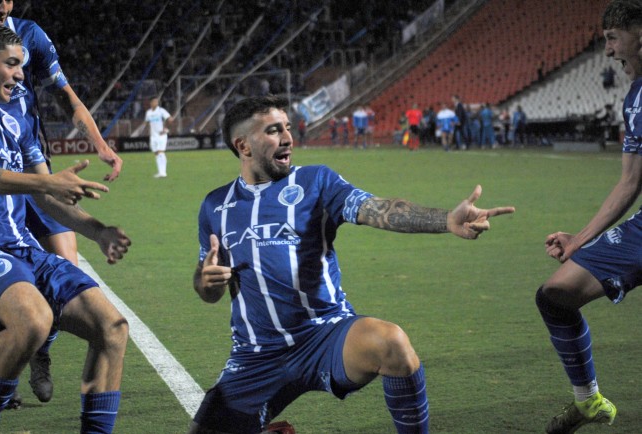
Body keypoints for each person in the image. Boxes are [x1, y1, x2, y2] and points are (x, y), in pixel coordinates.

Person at [188, 95, 515, 434]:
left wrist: (445, 219)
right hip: (256, 355)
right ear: (243, 145)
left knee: (392, 343)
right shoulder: (216, 206)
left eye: (287, 128)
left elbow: (375, 208)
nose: (287, 138)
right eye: (273, 131)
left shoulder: (315, 182)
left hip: (325, 334)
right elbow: (206, 288)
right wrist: (206, 281)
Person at [0, 23, 130, 434]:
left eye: (22, 66)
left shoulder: (18, 116)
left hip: (23, 247)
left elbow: (45, 198)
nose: (20, 75)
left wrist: (98, 231)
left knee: (112, 328)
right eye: (12, 64)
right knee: (33, 321)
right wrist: (49, 180)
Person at [536, 2, 642, 432]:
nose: (607, 50)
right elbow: (630, 181)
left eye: (612, 38)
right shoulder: (635, 97)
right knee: (556, 294)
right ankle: (588, 402)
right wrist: (580, 239)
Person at [144, 96, 174, 178]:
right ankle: (160, 172)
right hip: (153, 136)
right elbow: (146, 123)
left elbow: (170, 119)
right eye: (154, 102)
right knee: (156, 153)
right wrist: (147, 130)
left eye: (157, 102)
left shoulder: (161, 111)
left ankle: (163, 172)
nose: (156, 103)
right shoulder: (148, 113)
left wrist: (166, 129)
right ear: (151, 103)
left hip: (161, 135)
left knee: (161, 152)